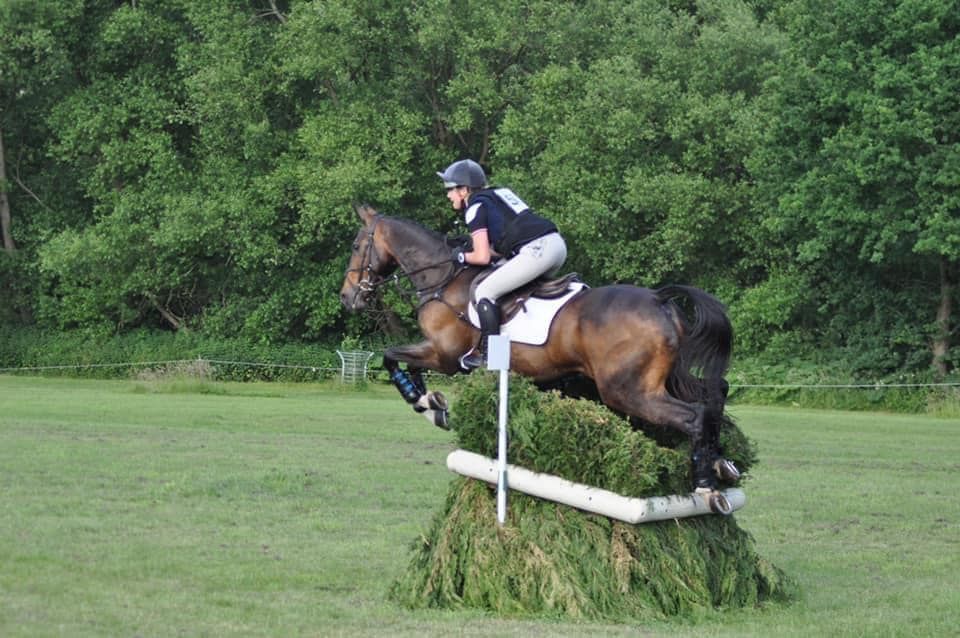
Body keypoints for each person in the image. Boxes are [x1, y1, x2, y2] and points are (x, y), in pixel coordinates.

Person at [437, 159, 567, 370]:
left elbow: (482, 258)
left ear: (464, 190)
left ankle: (489, 356)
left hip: (536, 250)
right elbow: (501, 245)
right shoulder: (501, 194)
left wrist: (460, 256)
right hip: (556, 245)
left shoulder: (475, 206)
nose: (448, 195)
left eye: (451, 189)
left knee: (484, 291)